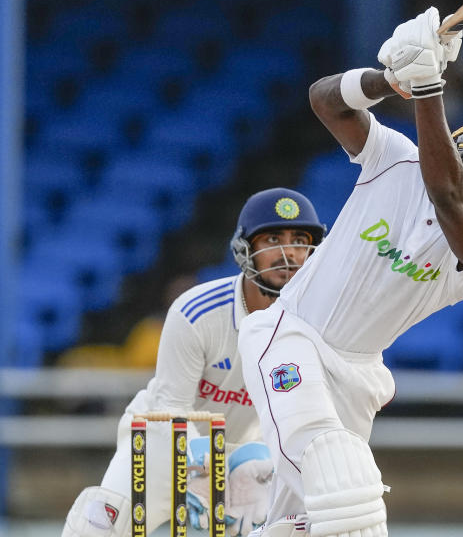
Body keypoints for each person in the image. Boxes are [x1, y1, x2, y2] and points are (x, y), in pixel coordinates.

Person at [237, 6, 463, 537]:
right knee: (342, 494)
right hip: (290, 336)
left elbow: (449, 199)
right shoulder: (394, 157)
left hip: (356, 377)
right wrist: (392, 80)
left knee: (307, 523)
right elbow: (323, 100)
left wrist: (430, 87)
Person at [61, 188, 327, 537]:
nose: (287, 252)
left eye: (298, 240)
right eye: (272, 238)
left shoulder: (318, 324)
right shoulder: (196, 312)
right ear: (244, 250)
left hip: (249, 457)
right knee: (96, 525)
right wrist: (207, 469)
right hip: (160, 443)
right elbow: (171, 409)